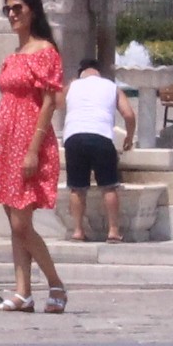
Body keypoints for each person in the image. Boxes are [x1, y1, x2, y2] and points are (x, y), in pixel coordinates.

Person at [0, 0, 69, 313]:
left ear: (33, 10)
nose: (12, 15)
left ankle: (55, 282)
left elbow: (48, 103)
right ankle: (22, 291)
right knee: (13, 219)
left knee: (21, 223)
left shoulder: (46, 52)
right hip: (5, 139)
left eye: (18, 8)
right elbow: (5, 103)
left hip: (29, 139)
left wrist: (33, 148)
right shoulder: (13, 56)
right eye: (8, 10)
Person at [62, 52, 127, 243]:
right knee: (108, 187)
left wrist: (70, 85)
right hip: (101, 136)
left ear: (81, 72)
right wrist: (129, 137)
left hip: (74, 137)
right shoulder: (112, 87)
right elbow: (129, 114)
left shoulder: (73, 86)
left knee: (77, 188)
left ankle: (78, 231)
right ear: (99, 72)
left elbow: (55, 103)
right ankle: (113, 231)